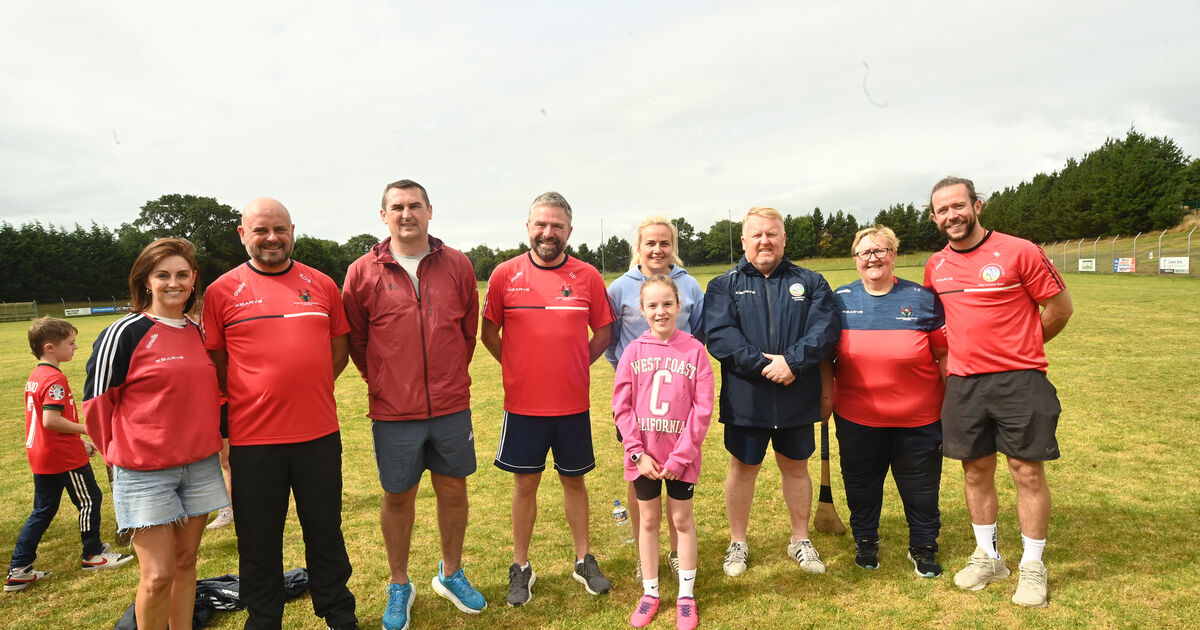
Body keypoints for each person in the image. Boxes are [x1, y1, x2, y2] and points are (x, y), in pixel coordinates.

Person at [202, 198, 358, 629]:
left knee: (325, 532)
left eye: (280, 229)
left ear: (292, 231)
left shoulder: (321, 284)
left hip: (318, 435)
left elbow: (338, 351)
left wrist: (304, 386)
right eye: (261, 230)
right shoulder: (221, 291)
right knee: (258, 541)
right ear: (243, 234)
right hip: (254, 442)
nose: (271, 238)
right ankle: (264, 619)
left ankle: (339, 614)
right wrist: (258, 393)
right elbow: (216, 363)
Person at [924, 176, 1073, 608]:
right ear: (935, 218)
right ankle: (988, 557)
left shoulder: (1021, 251)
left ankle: (1033, 565)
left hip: (1019, 380)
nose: (952, 215)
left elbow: (1060, 308)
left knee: (1027, 471)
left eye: (958, 205)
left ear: (977, 206)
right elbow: (941, 323)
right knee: (975, 471)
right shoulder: (936, 265)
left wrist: (1023, 349)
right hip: (964, 384)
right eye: (943, 210)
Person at [343, 179, 485, 630]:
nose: (407, 214)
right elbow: (357, 340)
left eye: (415, 205)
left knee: (454, 491)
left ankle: (451, 572)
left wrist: (447, 377)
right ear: (383, 215)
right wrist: (385, 380)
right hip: (393, 411)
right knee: (398, 495)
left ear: (430, 211)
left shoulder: (458, 264)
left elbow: (467, 332)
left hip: (450, 405)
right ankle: (399, 583)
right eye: (398, 206)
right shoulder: (362, 271)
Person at [481, 191, 615, 606]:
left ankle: (583, 560)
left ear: (569, 230)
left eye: (557, 225)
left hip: (572, 404)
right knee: (526, 484)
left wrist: (576, 364)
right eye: (541, 224)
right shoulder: (504, 274)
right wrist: (517, 367)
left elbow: (604, 332)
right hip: (524, 406)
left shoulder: (588, 276)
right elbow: (488, 333)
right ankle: (521, 566)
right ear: (528, 227)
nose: (548, 232)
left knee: (574, 481)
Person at [83, 238, 224, 629]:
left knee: (186, 562)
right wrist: (120, 455)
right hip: (144, 473)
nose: (173, 283)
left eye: (182, 275)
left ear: (194, 279)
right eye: (162, 275)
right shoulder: (124, 332)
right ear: (146, 281)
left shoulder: (200, 332)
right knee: (158, 574)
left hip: (200, 466)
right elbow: (97, 404)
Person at [703, 206, 839, 577]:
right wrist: (767, 366)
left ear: (783, 238)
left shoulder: (811, 282)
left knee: (796, 468)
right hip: (747, 399)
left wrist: (792, 363)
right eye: (757, 235)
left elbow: (824, 331)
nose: (765, 241)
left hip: (796, 395)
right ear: (744, 240)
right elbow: (721, 336)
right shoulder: (723, 285)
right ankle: (737, 542)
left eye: (772, 234)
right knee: (742, 469)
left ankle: (800, 539)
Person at [830, 226, 947, 577]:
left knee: (921, 488)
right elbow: (824, 355)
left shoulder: (923, 298)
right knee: (861, 485)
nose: (873, 258)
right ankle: (866, 541)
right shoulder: (839, 300)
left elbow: (943, 355)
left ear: (894, 255)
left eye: (880, 250)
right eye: (865, 252)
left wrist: (954, 403)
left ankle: (923, 546)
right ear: (855, 259)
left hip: (919, 418)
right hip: (857, 417)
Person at [605, 215, 705, 580]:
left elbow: (699, 333)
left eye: (665, 243)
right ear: (639, 246)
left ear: (673, 246)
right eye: (650, 243)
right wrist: (633, 375)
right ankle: (644, 555)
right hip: (637, 403)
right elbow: (611, 340)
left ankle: (678, 553)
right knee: (640, 474)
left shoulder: (690, 285)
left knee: (679, 477)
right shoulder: (619, 288)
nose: (658, 249)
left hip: (679, 398)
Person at [612, 275, 713, 630]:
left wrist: (681, 457)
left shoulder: (695, 351)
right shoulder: (633, 351)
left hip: (680, 458)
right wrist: (637, 454)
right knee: (649, 521)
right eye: (652, 305)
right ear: (642, 310)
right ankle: (650, 592)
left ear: (679, 305)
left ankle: (686, 595)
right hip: (645, 459)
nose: (661, 311)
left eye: (667, 304)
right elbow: (622, 407)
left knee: (682, 521)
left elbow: (702, 410)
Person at [6, 318, 133, 593]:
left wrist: (79, 440)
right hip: (62, 457)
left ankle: (19, 569)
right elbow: (51, 420)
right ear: (50, 348)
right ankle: (93, 554)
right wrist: (89, 429)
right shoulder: (55, 379)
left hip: (44, 455)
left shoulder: (37, 375)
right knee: (90, 500)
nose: (76, 347)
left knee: (43, 510)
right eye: (71, 343)